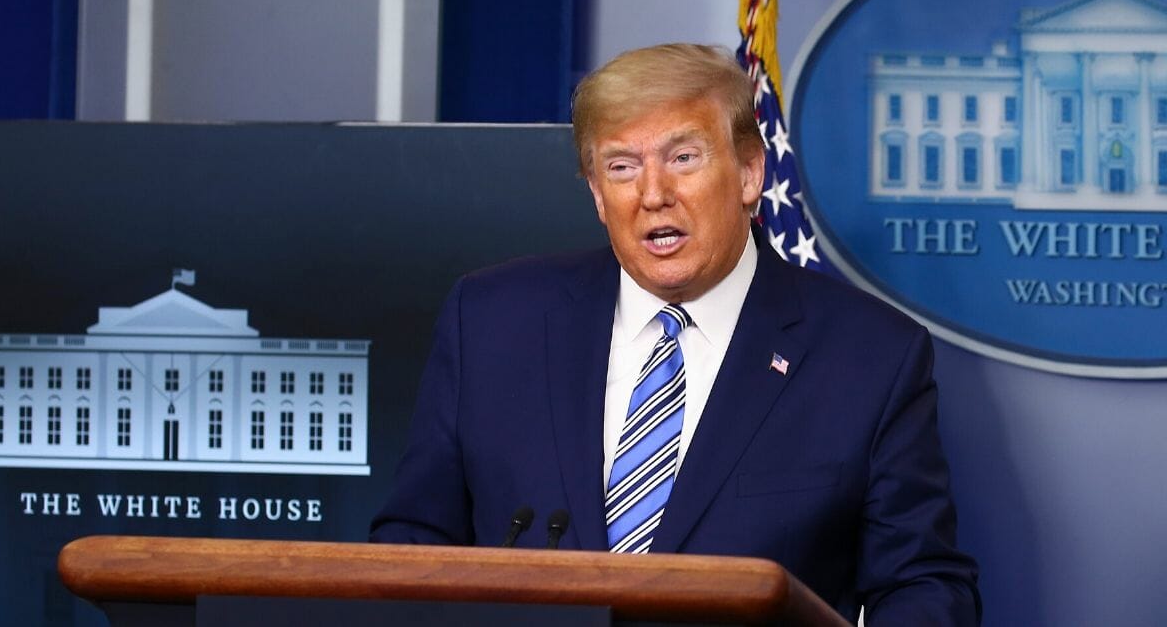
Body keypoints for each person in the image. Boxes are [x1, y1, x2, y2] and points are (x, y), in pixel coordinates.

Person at [370, 43, 980, 624]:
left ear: (749, 173)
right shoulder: (491, 322)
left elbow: (921, 584)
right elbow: (414, 541)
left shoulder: (870, 356)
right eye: (621, 167)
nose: (653, 195)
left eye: (683, 158)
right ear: (597, 195)